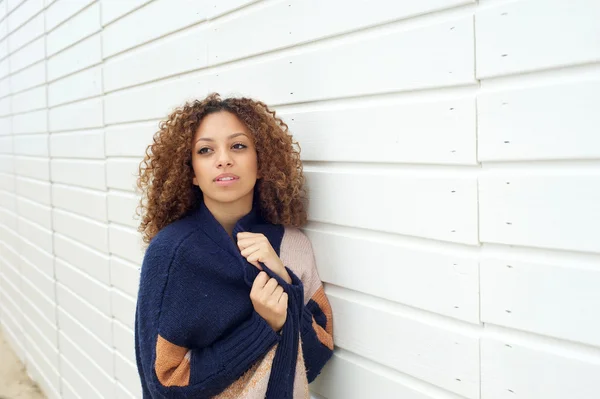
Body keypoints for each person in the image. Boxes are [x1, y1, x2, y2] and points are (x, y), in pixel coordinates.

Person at [134, 93, 334, 398]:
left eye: (238, 146)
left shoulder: (292, 247)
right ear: (192, 174)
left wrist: (286, 295)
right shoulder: (172, 253)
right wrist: (264, 326)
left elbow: (317, 355)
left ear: (262, 162)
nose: (223, 159)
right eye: (205, 150)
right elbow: (164, 385)